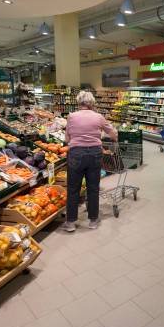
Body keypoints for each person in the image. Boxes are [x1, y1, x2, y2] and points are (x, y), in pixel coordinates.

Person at [62, 91, 117, 232]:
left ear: (79, 102)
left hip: (76, 154)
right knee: (93, 188)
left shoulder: (71, 116)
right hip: (94, 154)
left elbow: (67, 139)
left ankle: (70, 223)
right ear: (91, 103)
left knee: (73, 188)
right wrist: (111, 138)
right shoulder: (98, 117)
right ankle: (93, 221)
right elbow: (113, 133)